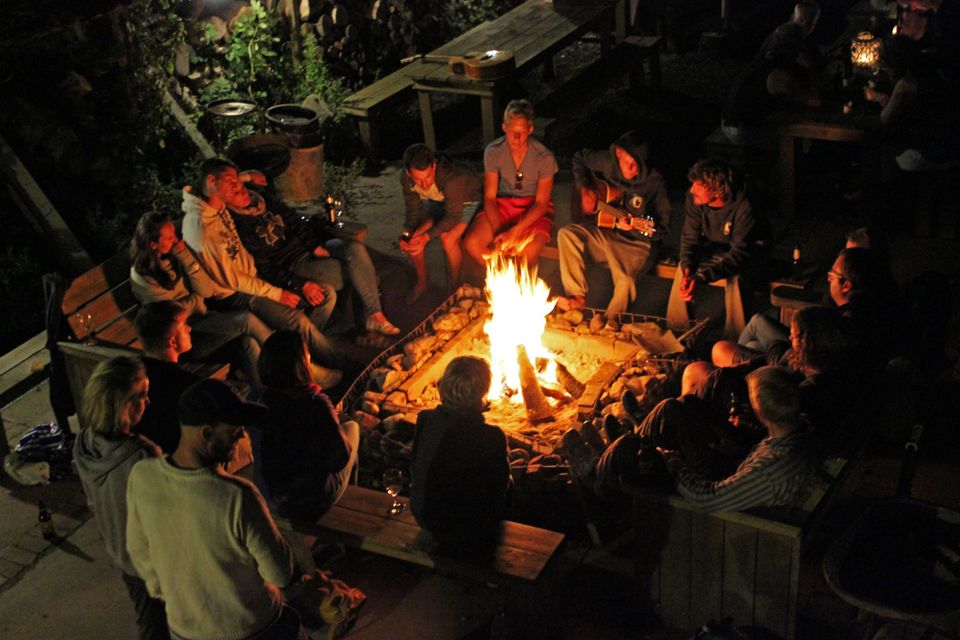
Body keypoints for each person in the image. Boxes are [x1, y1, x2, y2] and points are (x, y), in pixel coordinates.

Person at [126, 379, 307, 640]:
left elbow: (139, 551)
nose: (242, 435)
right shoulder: (237, 496)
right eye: (235, 429)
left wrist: (176, 597)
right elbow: (279, 573)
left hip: (184, 631)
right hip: (252, 628)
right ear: (206, 434)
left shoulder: (142, 475)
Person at [181, 158, 342, 388]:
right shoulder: (200, 227)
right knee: (296, 320)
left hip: (254, 281)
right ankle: (323, 367)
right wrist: (277, 294)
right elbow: (232, 280)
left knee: (324, 295)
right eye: (232, 182)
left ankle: (309, 355)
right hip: (235, 295)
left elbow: (228, 181)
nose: (239, 187)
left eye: (238, 182)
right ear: (211, 181)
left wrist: (246, 176)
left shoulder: (215, 203)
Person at [222, 164, 400, 336]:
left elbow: (295, 220)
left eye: (243, 187)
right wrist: (297, 282)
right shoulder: (239, 225)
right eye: (236, 192)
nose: (243, 192)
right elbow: (265, 267)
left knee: (354, 248)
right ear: (227, 198)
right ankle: (371, 320)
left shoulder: (262, 199)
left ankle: (373, 316)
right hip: (295, 264)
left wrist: (314, 246)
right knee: (359, 273)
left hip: (310, 249)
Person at [73, 356, 168, 640]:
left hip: (122, 554)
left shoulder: (84, 444)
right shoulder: (140, 456)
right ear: (122, 404)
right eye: (141, 395)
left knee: (149, 617)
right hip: (154, 562)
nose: (147, 401)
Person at [129, 211, 272, 387]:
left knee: (247, 343)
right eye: (169, 238)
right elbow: (171, 315)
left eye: (174, 234)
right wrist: (195, 297)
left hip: (205, 320)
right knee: (246, 320)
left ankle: (266, 393)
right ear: (153, 245)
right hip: (185, 339)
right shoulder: (143, 277)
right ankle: (286, 361)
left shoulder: (177, 254)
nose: (176, 240)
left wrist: (185, 257)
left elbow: (206, 290)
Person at [657, 366, 816, 513]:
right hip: (737, 468)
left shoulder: (770, 471)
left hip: (718, 495)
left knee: (670, 409)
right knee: (690, 402)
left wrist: (674, 463)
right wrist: (739, 451)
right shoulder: (801, 427)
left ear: (759, 412)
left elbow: (706, 499)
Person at [557, 131, 671, 320]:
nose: (634, 170)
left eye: (639, 166)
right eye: (630, 164)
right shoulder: (608, 163)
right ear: (618, 153)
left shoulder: (655, 183)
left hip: (639, 244)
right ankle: (576, 298)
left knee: (626, 281)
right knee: (567, 234)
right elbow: (580, 158)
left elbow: (662, 230)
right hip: (609, 233)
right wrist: (585, 187)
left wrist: (635, 226)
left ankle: (609, 323)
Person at [254, 330, 360, 521]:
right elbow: (340, 459)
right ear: (302, 363)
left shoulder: (258, 399)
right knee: (352, 428)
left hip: (270, 495)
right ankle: (352, 501)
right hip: (307, 503)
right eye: (307, 353)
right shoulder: (314, 402)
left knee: (339, 425)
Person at [410, 356, 511, 552]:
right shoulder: (491, 436)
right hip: (468, 528)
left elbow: (415, 466)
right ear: (482, 392)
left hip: (424, 515)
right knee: (509, 483)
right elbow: (499, 490)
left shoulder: (425, 419)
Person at [462, 99, 558, 273]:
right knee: (472, 243)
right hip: (503, 205)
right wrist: (500, 231)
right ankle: (501, 278)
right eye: (512, 131)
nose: (516, 138)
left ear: (530, 130)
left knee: (527, 252)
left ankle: (516, 280)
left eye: (522, 132)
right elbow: (490, 198)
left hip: (532, 209)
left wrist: (514, 232)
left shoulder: (544, 157)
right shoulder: (494, 151)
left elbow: (541, 204)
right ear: (504, 127)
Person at [674, 158, 765, 309]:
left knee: (736, 277)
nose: (692, 190)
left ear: (719, 191)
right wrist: (688, 267)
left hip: (750, 251)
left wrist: (702, 277)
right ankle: (678, 321)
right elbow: (690, 238)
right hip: (715, 246)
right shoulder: (694, 199)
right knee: (683, 272)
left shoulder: (745, 205)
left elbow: (740, 253)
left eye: (699, 186)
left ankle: (736, 325)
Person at [399, 143, 484, 301]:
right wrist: (408, 233)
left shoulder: (452, 179)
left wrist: (428, 237)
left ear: (434, 166)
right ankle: (422, 282)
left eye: (428, 177)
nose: (424, 185)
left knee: (448, 238)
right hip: (438, 201)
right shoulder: (406, 178)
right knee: (414, 237)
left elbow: (453, 216)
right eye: (418, 180)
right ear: (408, 173)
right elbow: (413, 209)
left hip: (467, 202)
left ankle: (455, 286)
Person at [132, 301, 202, 453]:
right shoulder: (187, 385)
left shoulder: (131, 374)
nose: (189, 329)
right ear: (172, 342)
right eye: (184, 326)